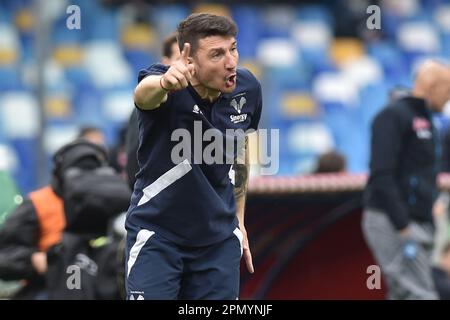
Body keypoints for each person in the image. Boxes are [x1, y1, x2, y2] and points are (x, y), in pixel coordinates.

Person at [125, 13, 262, 300]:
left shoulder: (248, 90)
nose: (231, 62)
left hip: (218, 242)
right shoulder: (166, 84)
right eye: (217, 54)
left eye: (233, 49)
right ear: (192, 63)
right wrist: (164, 83)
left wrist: (240, 220)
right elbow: (143, 95)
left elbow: (239, 152)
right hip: (158, 236)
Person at [362, 60, 450, 299]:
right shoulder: (393, 116)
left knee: (405, 293)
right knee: (419, 295)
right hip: (392, 219)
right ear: (434, 86)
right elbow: (381, 174)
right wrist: (403, 226)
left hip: (414, 221)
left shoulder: (429, 121)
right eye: (448, 90)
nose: (448, 98)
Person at [0, 139, 110, 299]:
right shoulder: (38, 204)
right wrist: (33, 260)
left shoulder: (110, 203)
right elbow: (4, 255)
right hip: (48, 288)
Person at [125, 32, 181, 189]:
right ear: (165, 63)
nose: (185, 67)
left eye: (191, 60)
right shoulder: (146, 108)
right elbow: (134, 168)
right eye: (179, 60)